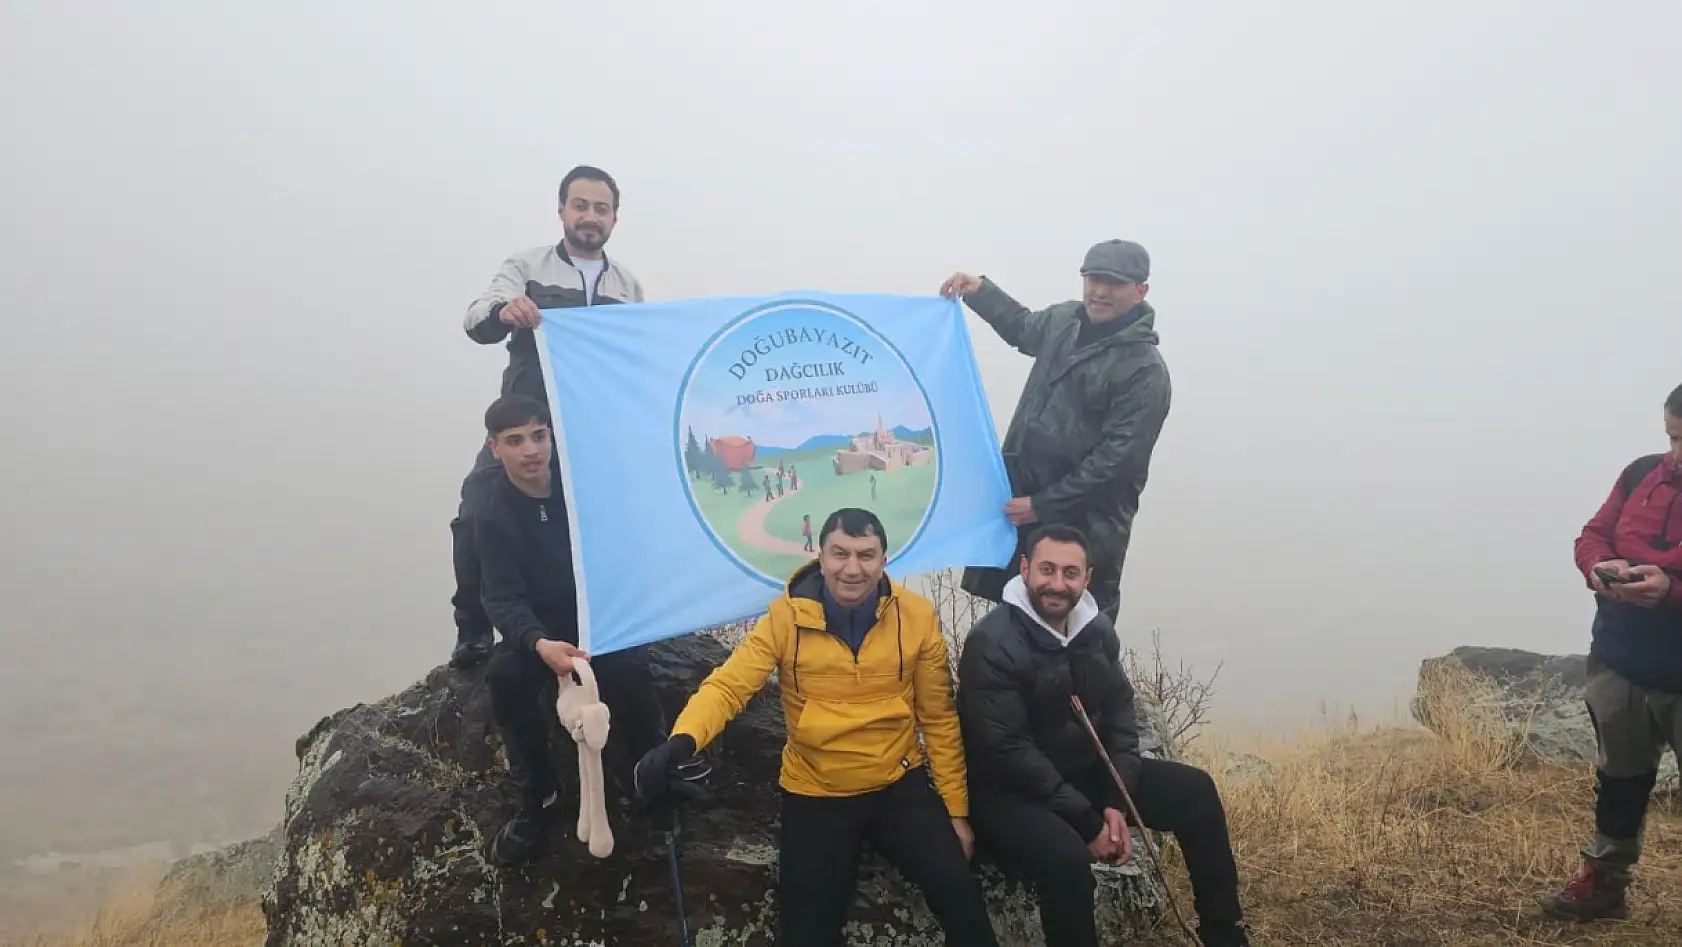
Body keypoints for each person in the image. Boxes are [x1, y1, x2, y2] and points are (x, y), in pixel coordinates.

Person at [633, 508, 999, 946]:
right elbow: (730, 686)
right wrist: (681, 742)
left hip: (897, 780)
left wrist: (956, 812)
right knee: (807, 931)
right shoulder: (785, 618)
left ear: (885, 560)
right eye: (840, 553)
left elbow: (938, 717)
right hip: (816, 788)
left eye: (866, 555)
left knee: (960, 893)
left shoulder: (916, 617)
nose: (852, 568)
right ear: (820, 556)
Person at [955, 524, 1250, 947]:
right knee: (1066, 860)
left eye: (1070, 573)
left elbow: (1119, 717)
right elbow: (1009, 752)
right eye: (1046, 570)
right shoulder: (991, 643)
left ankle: (1225, 934)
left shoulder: (1095, 631)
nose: (1057, 584)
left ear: (1087, 578)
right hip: (1009, 794)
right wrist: (1089, 822)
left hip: (1084, 776)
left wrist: (1116, 799)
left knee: (1195, 791)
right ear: (1023, 569)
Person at [449, 165, 648, 669]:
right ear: (561, 210)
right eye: (580, 205)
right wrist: (504, 313)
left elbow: (640, 359)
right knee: (476, 511)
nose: (590, 217)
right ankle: (472, 630)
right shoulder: (527, 266)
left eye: (601, 208)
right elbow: (477, 318)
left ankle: (601, 619)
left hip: (589, 433)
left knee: (604, 523)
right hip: (526, 427)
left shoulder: (627, 286)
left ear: (614, 218)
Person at [472, 393, 671, 865]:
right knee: (505, 680)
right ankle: (539, 798)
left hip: (596, 623)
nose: (531, 451)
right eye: (515, 440)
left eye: (539, 436)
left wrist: (614, 621)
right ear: (494, 447)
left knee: (631, 673)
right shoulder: (490, 512)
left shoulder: (585, 490)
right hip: (539, 633)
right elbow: (501, 597)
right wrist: (537, 643)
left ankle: (654, 781)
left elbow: (626, 557)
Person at [940, 239, 1171, 620]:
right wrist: (980, 290)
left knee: (1072, 631)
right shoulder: (1064, 321)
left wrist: (1043, 505)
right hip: (1023, 509)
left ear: (1141, 290)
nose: (1099, 291)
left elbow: (1115, 464)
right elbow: (1022, 327)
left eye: (1114, 283)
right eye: (1093, 278)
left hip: (1084, 526)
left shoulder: (1145, 371)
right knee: (1011, 617)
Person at [1542, 382, 1682, 921]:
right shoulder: (1640, 472)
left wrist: (1672, 591)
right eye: (1672, 437)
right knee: (1620, 779)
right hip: (1620, 661)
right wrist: (1601, 568)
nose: (1677, 455)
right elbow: (1592, 535)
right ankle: (1604, 883)